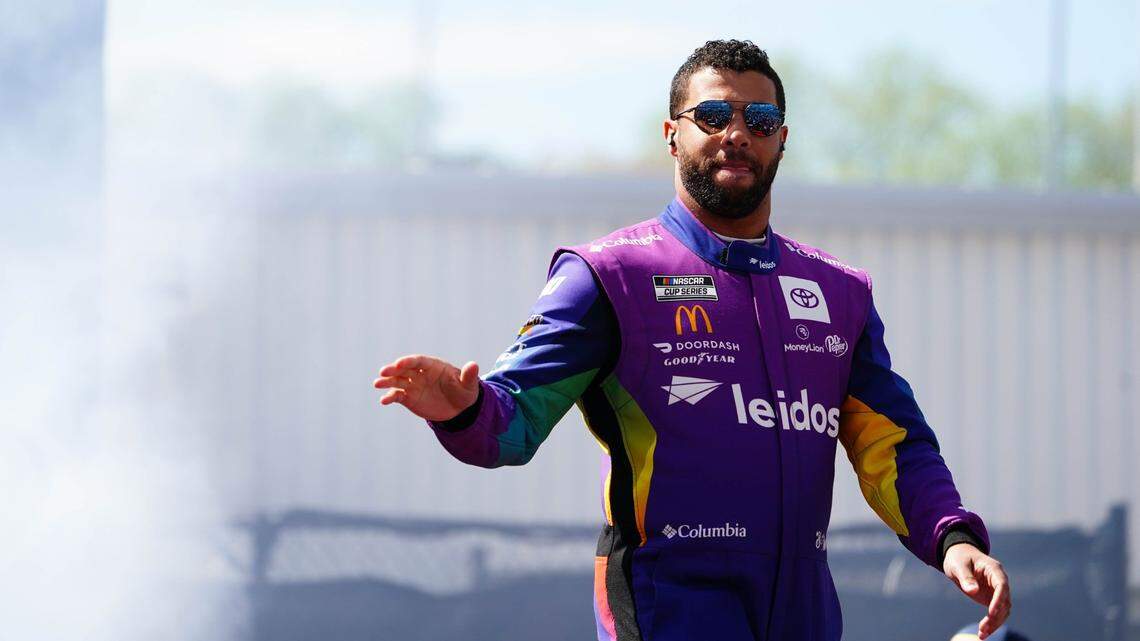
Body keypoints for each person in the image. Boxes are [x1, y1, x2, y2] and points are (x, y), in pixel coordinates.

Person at [374, 39, 1011, 641]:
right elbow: (511, 427)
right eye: (711, 114)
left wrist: (951, 536)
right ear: (672, 135)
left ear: (782, 141)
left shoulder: (839, 293)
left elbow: (892, 442)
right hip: (667, 606)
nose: (736, 132)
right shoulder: (607, 276)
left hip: (803, 611)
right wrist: (464, 409)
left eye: (759, 118)